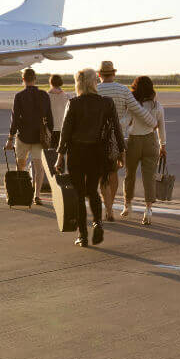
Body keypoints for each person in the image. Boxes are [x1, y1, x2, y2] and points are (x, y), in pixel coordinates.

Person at [55, 68, 125, 247]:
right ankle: (98, 223)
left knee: (79, 194)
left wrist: (60, 156)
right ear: (95, 82)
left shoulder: (74, 103)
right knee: (93, 190)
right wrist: (121, 153)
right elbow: (117, 129)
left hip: (77, 153)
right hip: (97, 153)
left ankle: (83, 235)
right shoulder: (106, 103)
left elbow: (65, 132)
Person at [95, 61, 156, 221]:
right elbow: (137, 109)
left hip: (97, 138)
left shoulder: (95, 89)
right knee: (113, 172)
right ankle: (111, 206)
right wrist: (152, 122)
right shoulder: (123, 90)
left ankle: (107, 207)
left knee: (102, 175)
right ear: (113, 74)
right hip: (117, 138)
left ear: (99, 75)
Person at [5, 68, 54, 205]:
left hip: (23, 136)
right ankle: (37, 195)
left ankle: (20, 192)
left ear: (23, 80)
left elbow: (14, 120)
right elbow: (50, 118)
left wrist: (10, 138)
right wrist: (49, 135)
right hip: (39, 137)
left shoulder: (19, 96)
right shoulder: (44, 95)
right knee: (39, 167)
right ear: (35, 79)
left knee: (20, 166)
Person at [122, 75, 167, 225]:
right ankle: (148, 210)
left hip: (134, 141)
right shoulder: (157, 106)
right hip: (151, 142)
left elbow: (125, 122)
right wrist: (163, 145)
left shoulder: (134, 105)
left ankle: (127, 205)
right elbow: (161, 128)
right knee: (149, 177)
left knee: (130, 175)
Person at [48, 74, 70, 149]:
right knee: (61, 152)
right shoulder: (67, 96)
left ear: (51, 83)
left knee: (50, 153)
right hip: (62, 127)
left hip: (50, 128)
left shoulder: (46, 96)